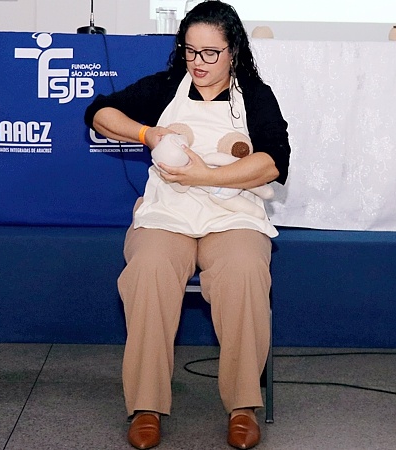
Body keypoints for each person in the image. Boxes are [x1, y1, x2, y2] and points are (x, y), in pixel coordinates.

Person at [83, 1, 291, 449]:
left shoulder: (255, 96)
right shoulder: (166, 87)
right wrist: (148, 134)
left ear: (234, 51)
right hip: (168, 212)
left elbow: (273, 163)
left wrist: (205, 176)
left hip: (232, 214)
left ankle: (243, 406)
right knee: (149, 270)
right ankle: (146, 406)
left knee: (243, 271)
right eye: (190, 50)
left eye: (210, 52)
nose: (198, 62)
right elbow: (99, 113)